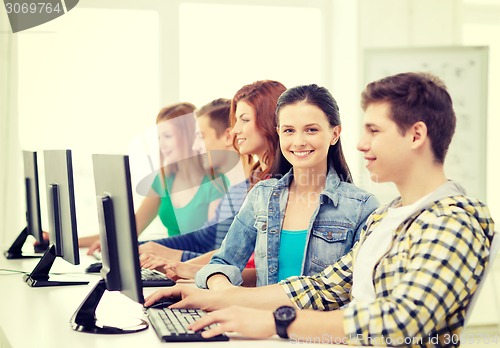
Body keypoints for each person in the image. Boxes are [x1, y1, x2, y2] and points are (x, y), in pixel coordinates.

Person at [144, 73, 495, 345]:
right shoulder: (388, 216)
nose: (361, 143)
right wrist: (216, 298)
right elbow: (323, 286)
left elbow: (401, 321)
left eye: (374, 130)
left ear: (416, 136)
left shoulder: (453, 219)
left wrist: (277, 321)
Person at [189, 84, 378, 290]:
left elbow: (359, 288)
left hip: (320, 322)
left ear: (335, 133)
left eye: (311, 130)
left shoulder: (362, 207)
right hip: (259, 320)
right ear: (279, 133)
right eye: (289, 131)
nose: (298, 141)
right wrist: (225, 289)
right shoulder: (261, 196)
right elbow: (223, 263)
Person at [138, 81, 288, 265]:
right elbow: (208, 241)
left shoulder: (272, 185)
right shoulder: (251, 182)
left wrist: (178, 262)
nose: (235, 130)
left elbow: (238, 258)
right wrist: (149, 248)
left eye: (244, 120)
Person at [80, 102, 228, 253]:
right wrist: (77, 242)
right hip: (167, 264)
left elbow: (210, 246)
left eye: (168, 136)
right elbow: (126, 233)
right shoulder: (163, 180)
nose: (162, 145)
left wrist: (149, 249)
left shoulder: (217, 182)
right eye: (159, 138)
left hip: (192, 266)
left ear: (190, 136)